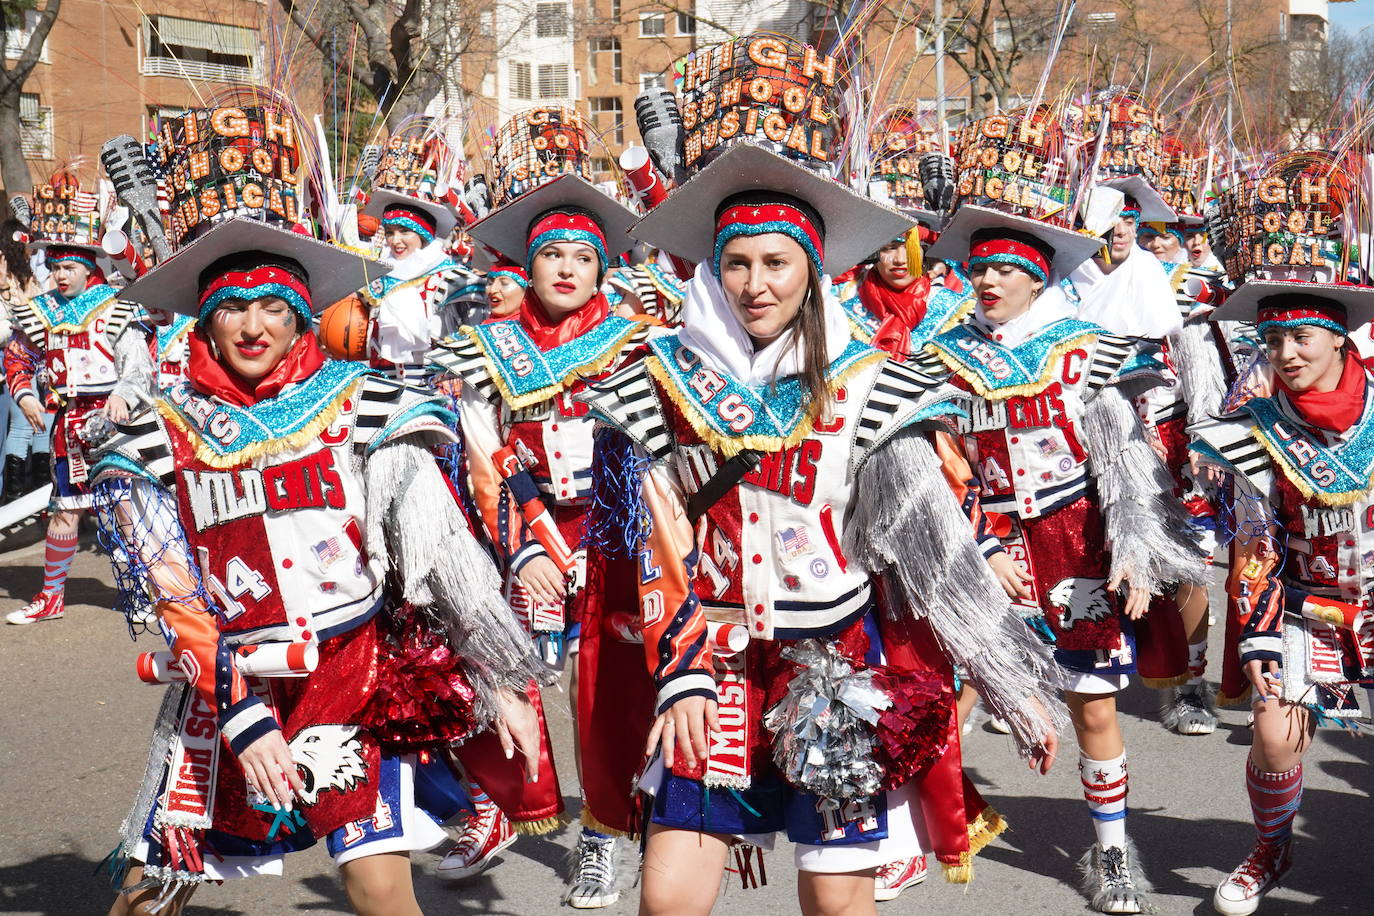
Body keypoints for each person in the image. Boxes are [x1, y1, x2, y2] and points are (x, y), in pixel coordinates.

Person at [89, 100, 546, 916]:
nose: (252, 326)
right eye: (231, 306)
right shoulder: (160, 437)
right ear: (205, 317)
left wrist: (497, 674)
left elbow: (439, 561)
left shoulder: (364, 409)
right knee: (157, 888)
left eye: (274, 306)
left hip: (355, 674)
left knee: (380, 887)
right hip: (229, 684)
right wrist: (242, 718)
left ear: (304, 313)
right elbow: (178, 598)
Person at [588, 134, 1064, 916]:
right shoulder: (660, 383)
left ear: (812, 268)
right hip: (714, 662)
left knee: (838, 901)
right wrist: (679, 671)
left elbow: (930, 549)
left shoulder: (873, 383)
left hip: (834, 669)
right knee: (668, 898)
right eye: (737, 263)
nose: (755, 284)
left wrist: (1008, 680)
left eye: (776, 263)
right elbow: (652, 539)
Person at [926, 108, 1207, 915]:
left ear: (1039, 275)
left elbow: (1125, 461)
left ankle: (1113, 853)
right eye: (978, 270)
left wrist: (1136, 550)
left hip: (1074, 548)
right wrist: (982, 543)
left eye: (1004, 271)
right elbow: (938, 463)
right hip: (984, 551)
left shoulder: (1086, 348)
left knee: (1091, 702)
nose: (987, 282)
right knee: (944, 692)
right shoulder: (946, 357)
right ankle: (925, 836)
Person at [427, 170, 654, 906]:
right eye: (553, 254)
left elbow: (648, 451)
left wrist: (610, 542)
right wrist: (523, 550)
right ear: (529, 264)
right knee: (496, 671)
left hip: (612, 532)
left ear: (601, 269)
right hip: (523, 533)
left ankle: (600, 835)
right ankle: (502, 804)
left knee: (605, 693)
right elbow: (482, 456)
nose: (566, 269)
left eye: (583, 258)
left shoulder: (632, 344)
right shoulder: (485, 348)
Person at [1189, 151, 1374, 916]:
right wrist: (1260, 640)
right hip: (1308, 603)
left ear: (1341, 340)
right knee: (1272, 732)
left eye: (1301, 338)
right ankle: (1273, 845)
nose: (1287, 356)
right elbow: (1258, 546)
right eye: (1272, 344)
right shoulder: (1254, 431)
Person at [3, 174, 153, 624]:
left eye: (69, 268)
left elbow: (138, 366)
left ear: (90, 269)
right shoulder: (41, 311)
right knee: (64, 511)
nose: (60, 275)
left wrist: (124, 397)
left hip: (114, 426)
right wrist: (26, 394)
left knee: (124, 508)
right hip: (68, 426)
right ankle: (51, 597)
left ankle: (143, 591)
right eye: (56, 267)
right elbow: (17, 357)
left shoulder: (115, 305)